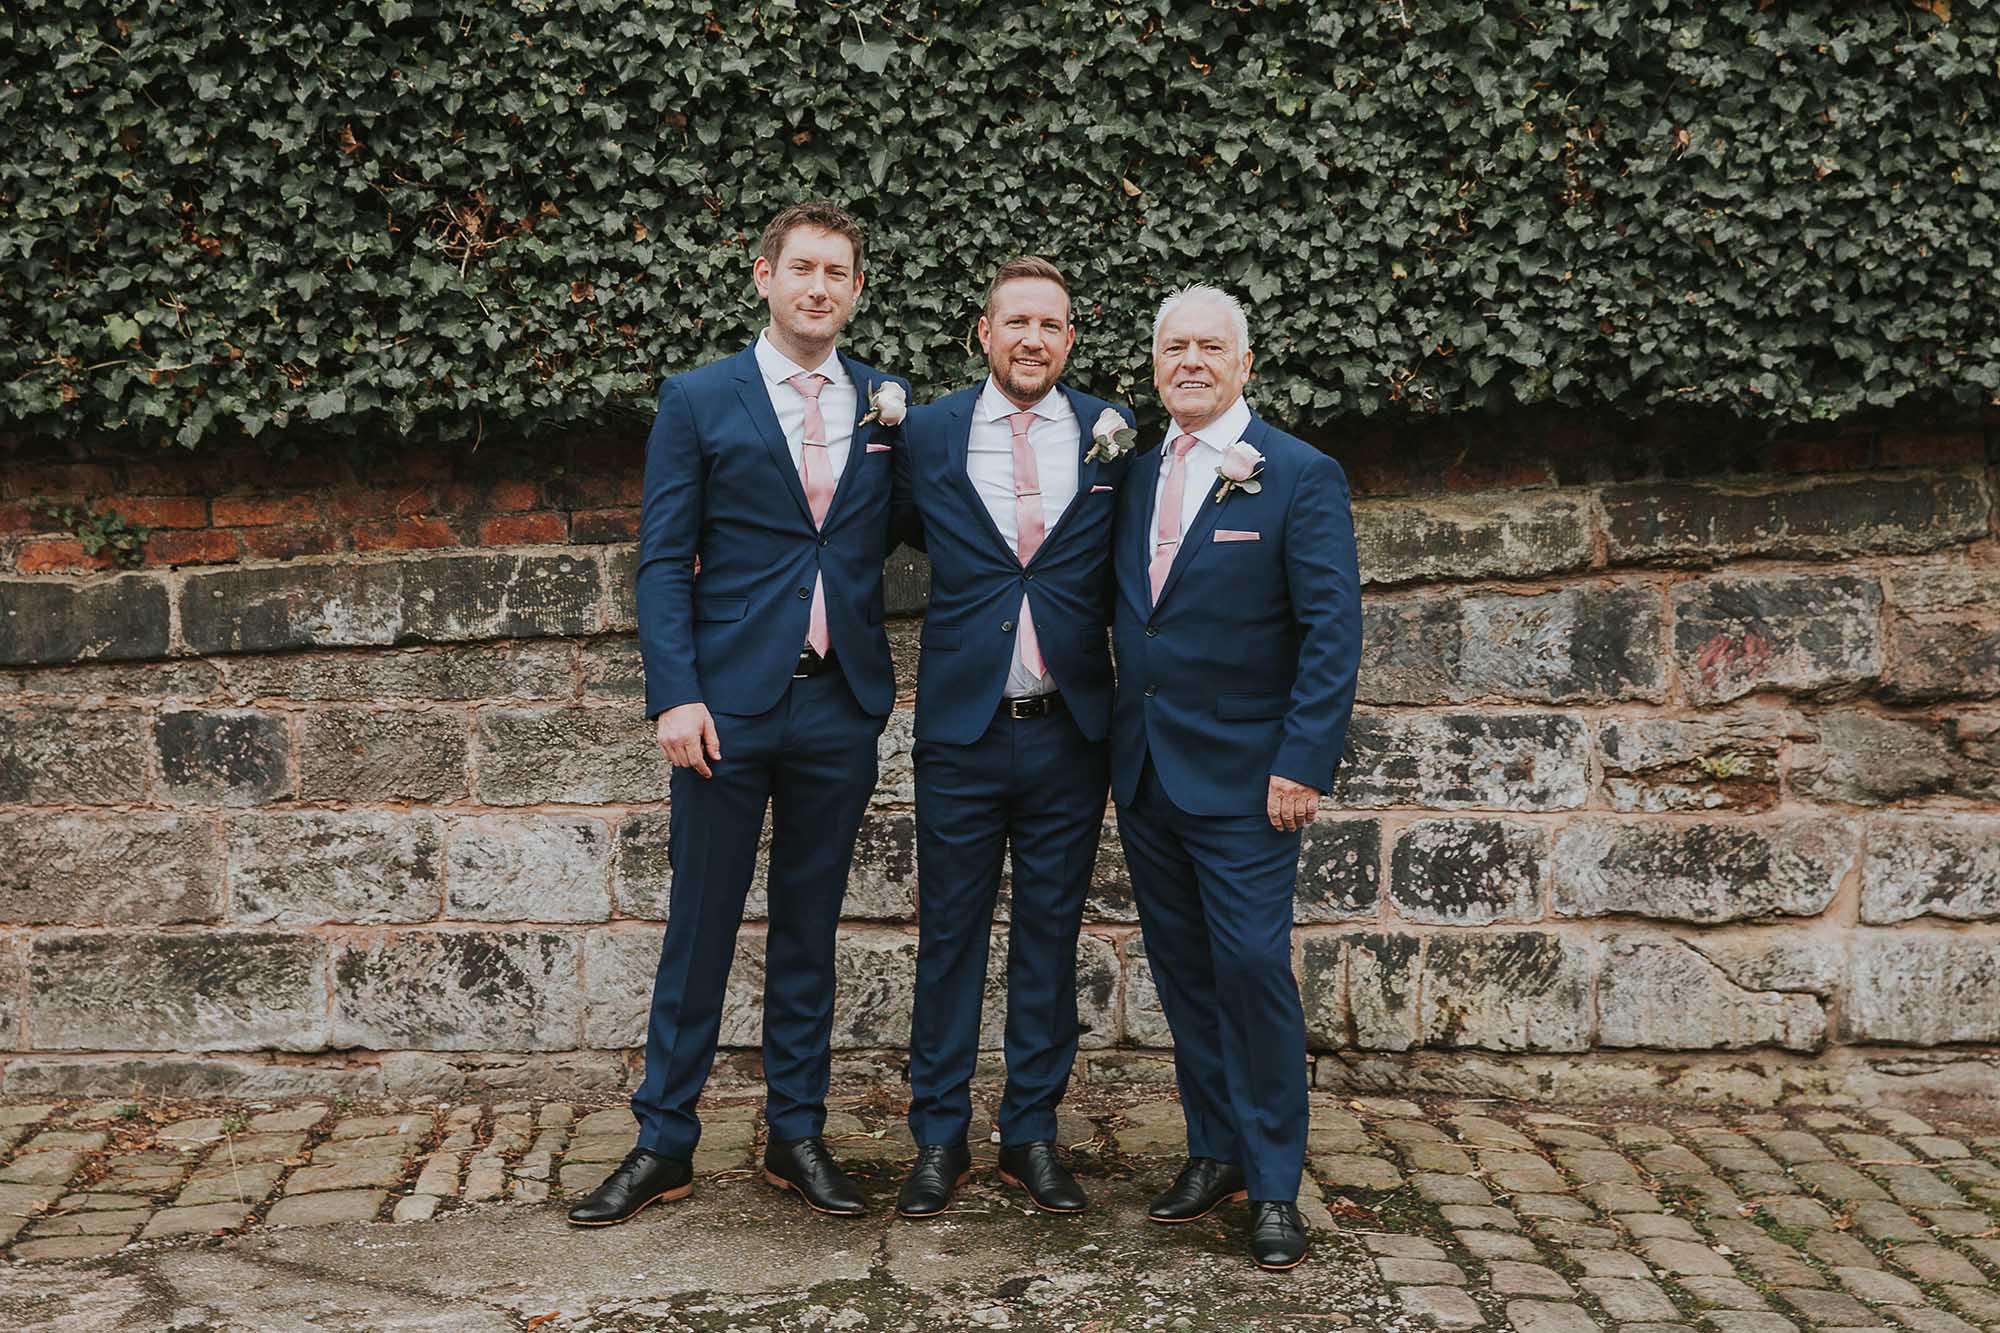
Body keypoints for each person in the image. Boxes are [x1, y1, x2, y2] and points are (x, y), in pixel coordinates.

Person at [568, 201, 910, 1226]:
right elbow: (663, 558)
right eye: (801, 267)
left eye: (837, 272)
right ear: (763, 277)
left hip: (836, 705)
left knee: (809, 929)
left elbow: (898, 531)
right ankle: (663, 1140)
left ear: (854, 290)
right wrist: (673, 692)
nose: (818, 287)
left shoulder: (883, 404)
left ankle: (793, 1132)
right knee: (700, 927)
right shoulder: (698, 400)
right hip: (722, 711)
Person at [1108, 284, 1361, 1270]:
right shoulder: (1131, 476)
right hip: (1146, 772)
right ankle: (1210, 1149)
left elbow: (1330, 630)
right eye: (1173, 347)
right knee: (1182, 973)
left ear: (1242, 364)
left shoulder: (1297, 475)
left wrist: (1301, 759)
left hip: (1251, 780)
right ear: (1156, 362)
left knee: (1252, 971)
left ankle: (1271, 1182)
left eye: (1209, 347)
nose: (1189, 362)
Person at [889, 258, 1137, 1219]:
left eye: (1053, 324)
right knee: (947, 937)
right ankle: (937, 1136)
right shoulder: (931, 431)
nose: (1034, 339)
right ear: (983, 333)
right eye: (1016, 322)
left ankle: (1030, 1132)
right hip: (962, 728)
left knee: (1049, 935)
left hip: (1070, 730)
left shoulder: (1112, 432)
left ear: (1070, 339)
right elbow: (890, 529)